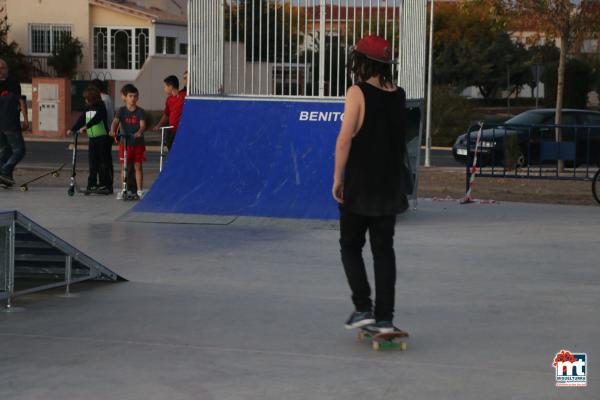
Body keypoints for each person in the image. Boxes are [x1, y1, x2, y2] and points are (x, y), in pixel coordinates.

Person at [332, 35, 409, 334]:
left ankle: (363, 306)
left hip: (361, 185)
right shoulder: (399, 94)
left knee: (350, 245)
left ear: (361, 62)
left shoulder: (357, 92)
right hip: (389, 186)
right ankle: (385, 318)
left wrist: (338, 178)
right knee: (383, 250)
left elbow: (344, 140)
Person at [67, 86, 112, 195]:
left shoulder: (101, 106)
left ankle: (104, 184)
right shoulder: (87, 107)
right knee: (93, 162)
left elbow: (97, 118)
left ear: (92, 98)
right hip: (93, 138)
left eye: (87, 98)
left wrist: (87, 126)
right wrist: (73, 129)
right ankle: (91, 184)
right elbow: (81, 119)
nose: (85, 100)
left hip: (103, 138)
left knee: (103, 162)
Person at [110, 84, 147, 200]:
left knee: (138, 166)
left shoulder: (140, 111)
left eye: (135, 96)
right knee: (124, 167)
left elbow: (142, 125)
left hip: (138, 144)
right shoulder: (121, 111)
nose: (133, 99)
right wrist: (112, 130)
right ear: (124, 97)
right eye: (130, 96)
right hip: (124, 143)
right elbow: (115, 122)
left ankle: (140, 191)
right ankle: (124, 189)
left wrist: (140, 131)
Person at [0, 58, 28, 186]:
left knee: (7, 150)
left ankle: (6, 178)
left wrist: (25, 118)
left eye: (3, 68)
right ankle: (5, 171)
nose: (1, 71)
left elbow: (20, 101)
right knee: (19, 150)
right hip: (8, 123)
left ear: (7, 69)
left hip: (10, 120)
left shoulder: (13, 83)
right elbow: (21, 101)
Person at [90, 79, 115, 192]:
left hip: (104, 132)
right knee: (103, 159)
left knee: (104, 160)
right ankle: (104, 183)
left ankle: (106, 184)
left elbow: (101, 117)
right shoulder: (107, 98)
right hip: (105, 131)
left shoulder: (103, 99)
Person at [152, 75, 185, 151]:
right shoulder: (169, 99)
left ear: (170, 87)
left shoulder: (183, 96)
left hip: (181, 129)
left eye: (165, 86)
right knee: (169, 145)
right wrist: (158, 125)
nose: (164, 89)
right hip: (171, 129)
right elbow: (166, 115)